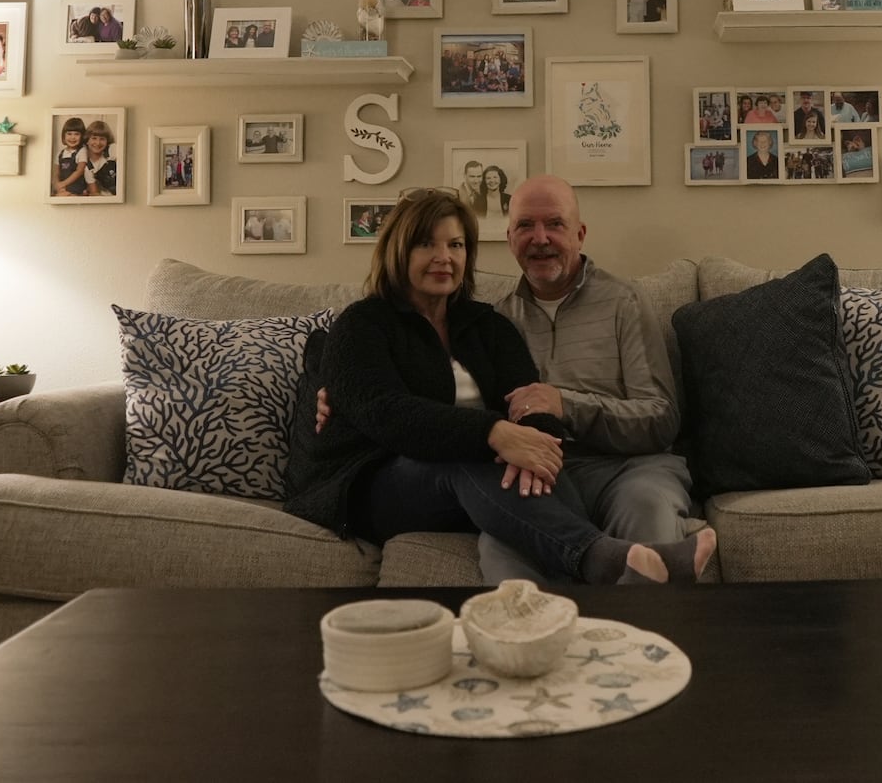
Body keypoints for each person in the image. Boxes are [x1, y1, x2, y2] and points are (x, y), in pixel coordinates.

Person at [286, 190, 715, 585]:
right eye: (426, 244)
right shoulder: (364, 323)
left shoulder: (487, 324)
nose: (443, 257)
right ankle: (604, 559)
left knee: (539, 465)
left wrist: (537, 443)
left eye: (455, 245)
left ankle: (577, 620)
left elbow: (524, 396)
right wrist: (493, 432)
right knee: (469, 455)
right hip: (376, 481)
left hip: (465, 480)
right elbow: (388, 411)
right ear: (398, 249)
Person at [81, 120, 118, 197]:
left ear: (107, 141)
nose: (98, 143)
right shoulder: (87, 166)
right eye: (94, 138)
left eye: (102, 139)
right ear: (87, 140)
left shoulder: (112, 150)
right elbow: (94, 192)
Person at [53, 117, 87, 196]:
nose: (73, 137)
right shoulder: (60, 154)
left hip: (77, 189)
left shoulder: (82, 151)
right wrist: (57, 184)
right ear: (64, 135)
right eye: (69, 134)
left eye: (76, 134)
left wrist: (64, 183)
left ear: (82, 136)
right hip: (62, 188)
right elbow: (55, 172)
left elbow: (80, 171)